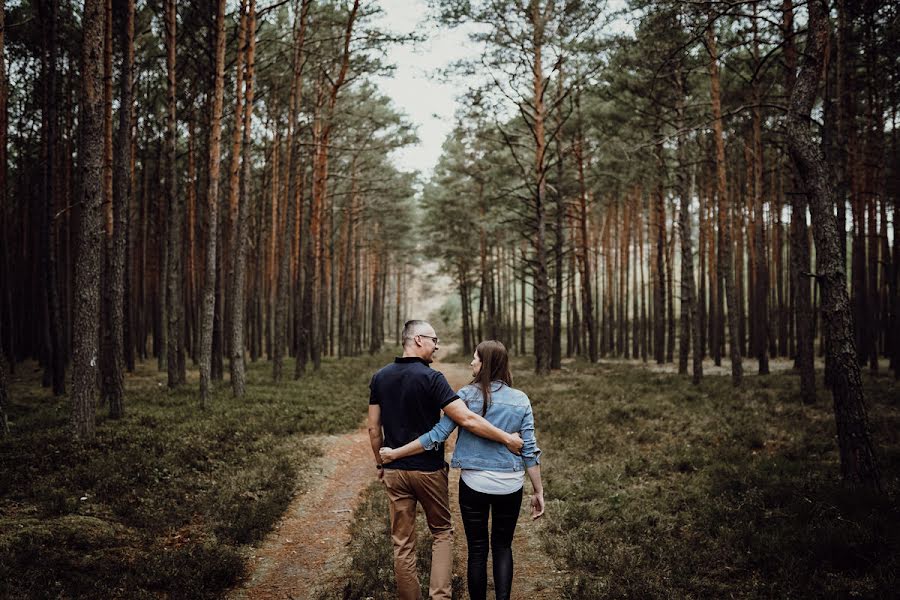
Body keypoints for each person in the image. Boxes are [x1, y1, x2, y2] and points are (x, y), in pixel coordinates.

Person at [368, 320, 524, 600]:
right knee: (441, 532)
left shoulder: (380, 377)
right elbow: (464, 418)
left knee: (402, 543)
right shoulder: (432, 378)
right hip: (428, 470)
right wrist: (507, 438)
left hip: (394, 470)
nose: (437, 346)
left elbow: (373, 428)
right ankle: (439, 597)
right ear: (417, 340)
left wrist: (381, 463)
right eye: (433, 340)